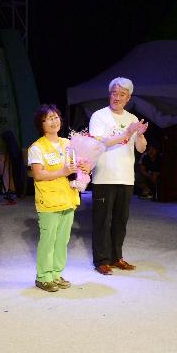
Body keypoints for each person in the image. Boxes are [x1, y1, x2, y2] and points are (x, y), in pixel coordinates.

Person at [88, 77, 148, 275]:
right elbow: (99, 142)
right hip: (104, 176)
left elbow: (141, 148)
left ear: (128, 97)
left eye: (122, 94)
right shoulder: (99, 116)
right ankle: (101, 260)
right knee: (102, 220)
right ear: (109, 94)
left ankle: (117, 257)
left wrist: (138, 135)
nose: (118, 97)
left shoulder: (132, 118)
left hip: (125, 177)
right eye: (115, 93)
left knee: (121, 219)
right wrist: (126, 134)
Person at [27, 104, 89, 292]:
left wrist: (84, 168)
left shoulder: (68, 143)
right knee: (48, 239)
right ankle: (43, 276)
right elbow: (38, 174)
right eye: (49, 118)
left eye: (56, 117)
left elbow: (77, 167)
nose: (54, 121)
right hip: (49, 201)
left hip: (68, 198)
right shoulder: (37, 147)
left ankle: (55, 273)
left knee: (62, 240)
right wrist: (62, 171)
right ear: (41, 123)